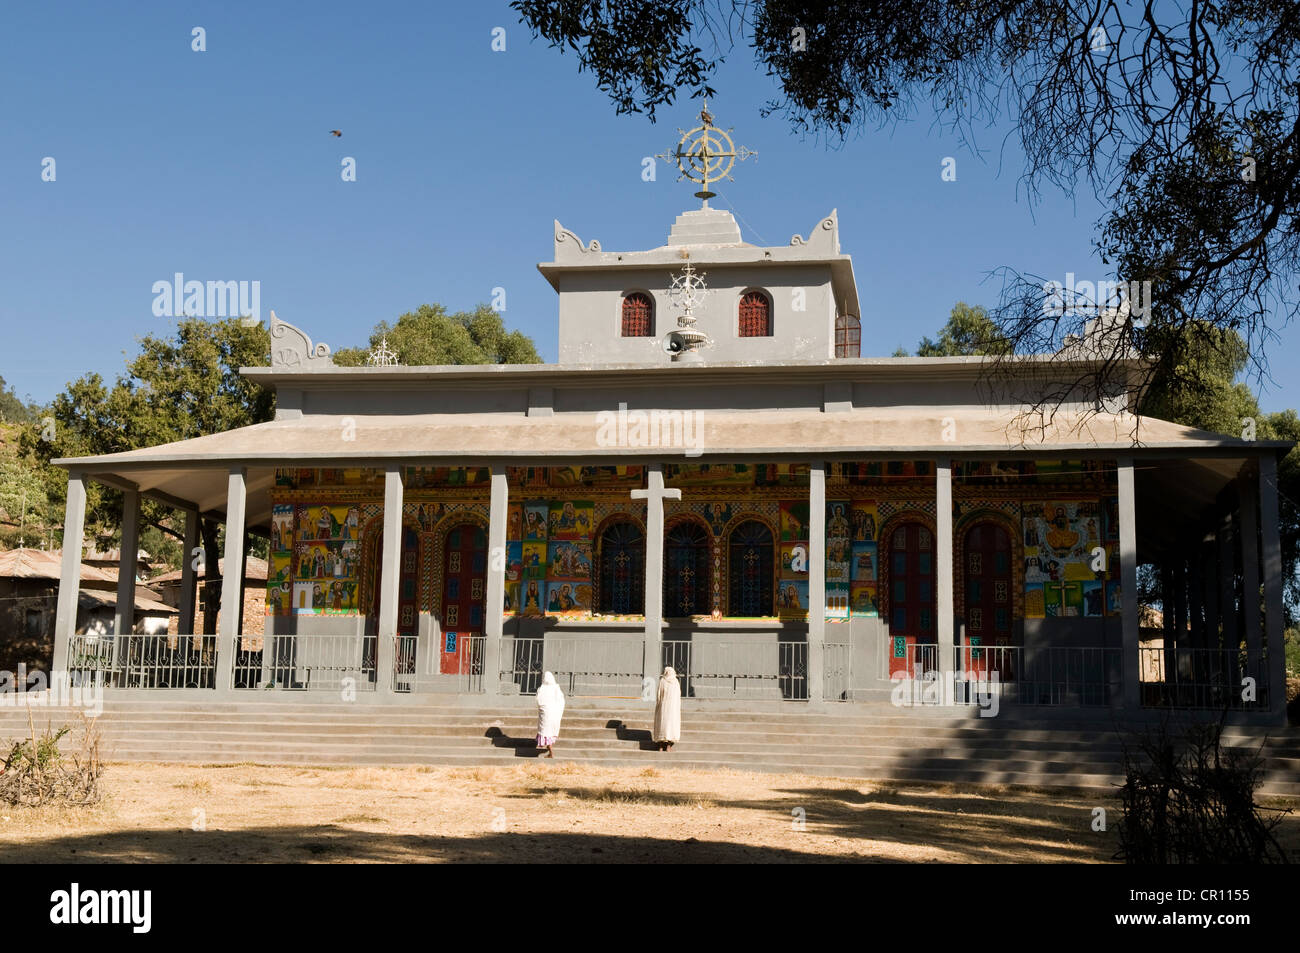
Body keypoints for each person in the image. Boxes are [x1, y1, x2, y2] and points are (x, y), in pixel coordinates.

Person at [535, 671, 565, 758]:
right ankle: (550, 752)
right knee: (550, 733)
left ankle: (551, 752)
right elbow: (561, 701)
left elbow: (538, 700)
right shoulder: (556, 688)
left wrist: (543, 708)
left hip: (546, 714)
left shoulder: (542, 689)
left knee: (546, 732)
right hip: (554, 714)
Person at [653, 666, 681, 752]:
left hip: (663, 708)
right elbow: (678, 697)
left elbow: (659, 695)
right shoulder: (675, 682)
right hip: (672, 709)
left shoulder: (662, 681)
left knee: (662, 725)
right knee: (671, 727)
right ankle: (668, 746)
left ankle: (661, 746)